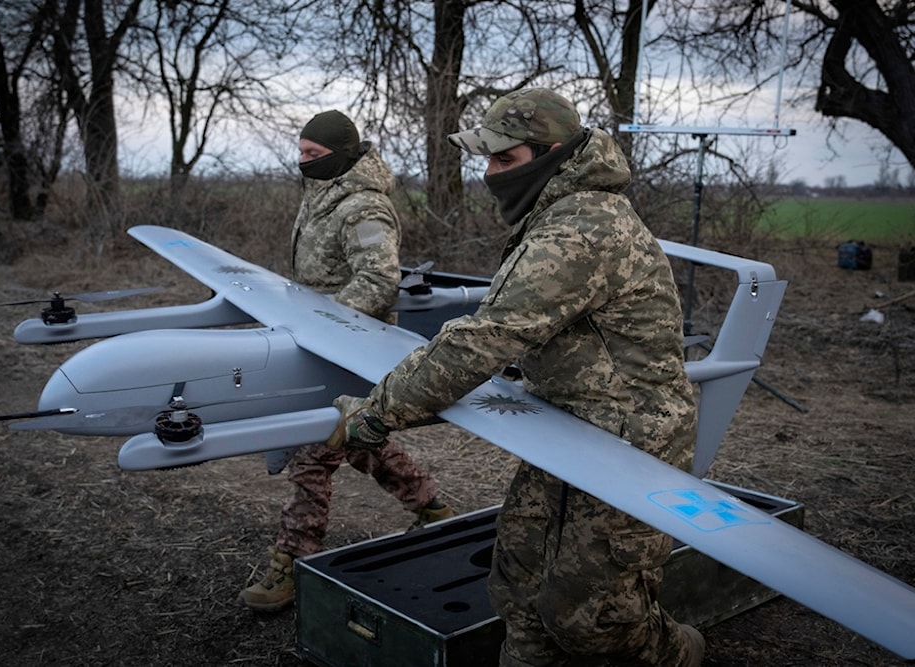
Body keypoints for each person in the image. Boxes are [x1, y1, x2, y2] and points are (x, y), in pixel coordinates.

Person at [327, 89, 706, 666]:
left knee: (590, 618)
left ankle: (678, 655)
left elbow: (488, 335)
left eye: (503, 160)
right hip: (567, 428)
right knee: (519, 587)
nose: (488, 174)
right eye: (487, 159)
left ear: (550, 154)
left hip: (631, 442)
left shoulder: (581, 229)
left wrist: (377, 413)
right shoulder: (556, 210)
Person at [238, 110, 455, 612]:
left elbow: (378, 280)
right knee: (359, 442)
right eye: (301, 152)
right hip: (318, 345)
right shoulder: (323, 194)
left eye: (313, 154)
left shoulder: (364, 209)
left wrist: (323, 321)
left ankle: (290, 562)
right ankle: (433, 508)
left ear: (339, 154)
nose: (303, 162)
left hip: (350, 348)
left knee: (313, 452)